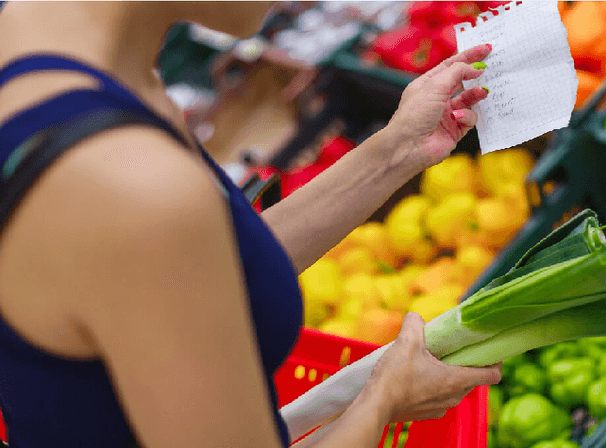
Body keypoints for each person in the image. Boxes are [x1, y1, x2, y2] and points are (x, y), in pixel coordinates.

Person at [0, 2, 501, 447]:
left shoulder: (57, 50)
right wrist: (383, 398)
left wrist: (397, 150)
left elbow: (203, 271)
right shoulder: (136, 189)